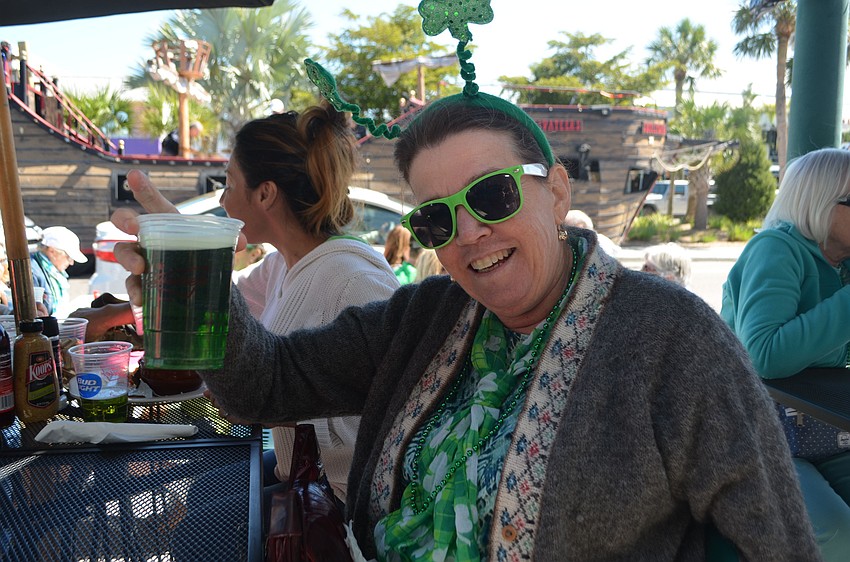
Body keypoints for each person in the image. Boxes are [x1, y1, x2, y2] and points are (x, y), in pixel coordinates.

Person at [111, 89, 818, 560]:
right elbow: (263, 386)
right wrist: (191, 269)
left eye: (492, 192)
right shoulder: (424, 317)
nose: (471, 230)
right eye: (438, 216)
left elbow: (775, 541)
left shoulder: (673, 340)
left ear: (557, 189)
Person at [721, 147, 850, 560]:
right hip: (759, 434)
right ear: (822, 201)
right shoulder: (777, 249)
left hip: (827, 430)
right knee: (837, 533)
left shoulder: (842, 264)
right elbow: (764, 354)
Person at [31, 226, 87, 316]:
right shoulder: (33, 271)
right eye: (69, 257)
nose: (72, 263)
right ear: (52, 251)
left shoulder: (53, 271)